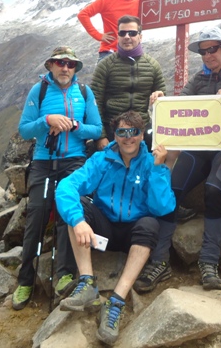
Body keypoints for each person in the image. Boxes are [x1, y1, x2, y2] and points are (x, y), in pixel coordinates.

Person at [56, 111, 175, 345]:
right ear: (115, 134)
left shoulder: (151, 163)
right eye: (122, 131)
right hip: (104, 231)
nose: (128, 137)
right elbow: (67, 186)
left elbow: (163, 208)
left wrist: (158, 169)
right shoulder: (102, 160)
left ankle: (116, 302)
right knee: (77, 209)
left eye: (134, 132)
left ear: (142, 134)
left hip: (134, 235)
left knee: (150, 224)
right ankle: (87, 283)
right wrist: (78, 221)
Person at [134, 26, 221, 293]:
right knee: (170, 190)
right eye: (203, 51)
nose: (208, 55)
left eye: (212, 49)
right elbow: (179, 107)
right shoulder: (199, 78)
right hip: (200, 145)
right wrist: (161, 101)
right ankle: (160, 261)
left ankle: (208, 262)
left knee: (214, 189)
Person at [12, 47, 102, 311]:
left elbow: (96, 129)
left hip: (74, 161)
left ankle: (64, 275)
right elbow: (24, 129)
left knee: (68, 214)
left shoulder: (84, 92)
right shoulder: (38, 91)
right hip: (43, 161)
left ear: (75, 68)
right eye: (60, 63)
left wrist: (75, 126)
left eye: (71, 64)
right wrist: (47, 120)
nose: (65, 68)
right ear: (51, 65)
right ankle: (25, 280)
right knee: (36, 216)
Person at [90, 15, 166, 151]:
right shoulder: (105, 65)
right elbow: (95, 102)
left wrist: (160, 95)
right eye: (122, 33)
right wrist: (101, 136)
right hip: (112, 128)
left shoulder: (153, 65)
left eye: (132, 33)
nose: (127, 37)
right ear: (118, 36)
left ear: (140, 36)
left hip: (142, 128)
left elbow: (162, 99)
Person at [77, 0, 141, 61]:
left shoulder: (140, 3)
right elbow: (83, 14)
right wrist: (98, 35)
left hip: (132, 54)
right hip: (109, 53)